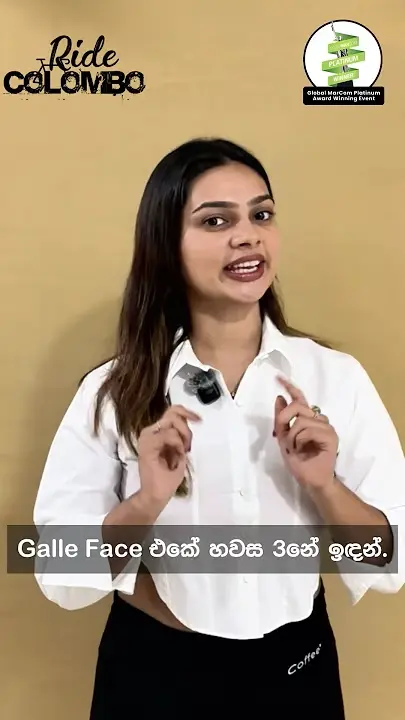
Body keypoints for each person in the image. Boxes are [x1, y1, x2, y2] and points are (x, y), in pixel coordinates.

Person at [33, 137, 405, 717]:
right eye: (216, 221)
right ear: (166, 244)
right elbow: (59, 572)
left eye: (261, 215)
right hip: (153, 676)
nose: (248, 235)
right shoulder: (113, 392)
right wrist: (146, 502)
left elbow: (387, 560)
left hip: (296, 672)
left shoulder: (336, 379)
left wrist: (325, 486)